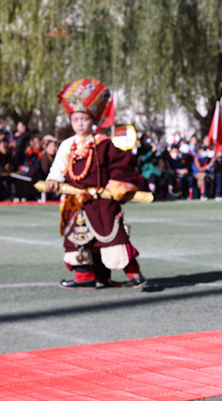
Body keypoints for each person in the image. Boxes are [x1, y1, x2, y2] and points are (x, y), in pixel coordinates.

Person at [44, 78, 148, 289]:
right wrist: (53, 179)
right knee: (77, 240)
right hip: (76, 202)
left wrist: (116, 186)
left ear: (93, 120)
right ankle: (84, 277)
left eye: (84, 119)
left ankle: (135, 274)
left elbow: (121, 165)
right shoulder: (67, 145)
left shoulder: (103, 143)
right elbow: (58, 166)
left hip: (102, 201)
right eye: (76, 119)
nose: (80, 123)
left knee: (115, 239)